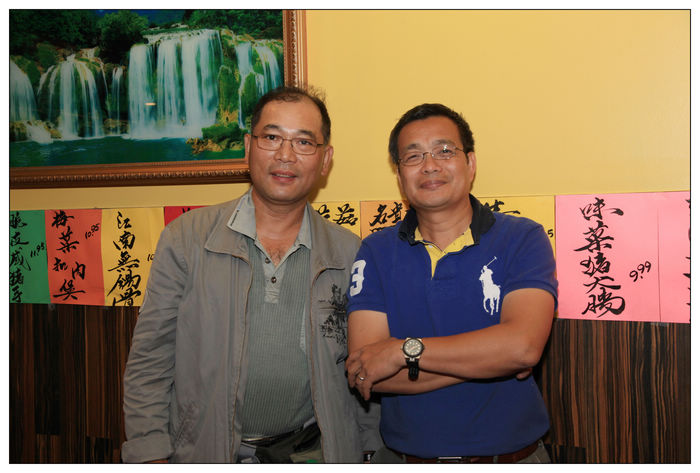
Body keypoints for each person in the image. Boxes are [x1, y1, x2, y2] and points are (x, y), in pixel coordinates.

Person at [122, 86, 381, 463]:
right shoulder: (187, 238)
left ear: (325, 160)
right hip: (205, 453)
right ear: (248, 147)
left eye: (303, 142)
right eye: (272, 138)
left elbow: (363, 364)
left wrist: (370, 448)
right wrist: (150, 454)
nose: (285, 155)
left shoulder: (349, 252)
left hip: (312, 453)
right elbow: (150, 360)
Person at [345, 103, 557, 463]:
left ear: (470, 163)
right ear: (399, 175)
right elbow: (370, 373)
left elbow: (522, 348)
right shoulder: (376, 251)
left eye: (444, 151)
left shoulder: (523, 238)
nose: (430, 165)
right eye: (413, 156)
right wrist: (493, 360)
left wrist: (401, 352)